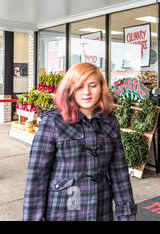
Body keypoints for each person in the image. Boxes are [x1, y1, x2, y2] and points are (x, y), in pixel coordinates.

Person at [23, 63, 137, 221]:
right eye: (79, 86)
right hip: (63, 210)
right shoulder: (53, 122)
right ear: (70, 89)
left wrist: (127, 215)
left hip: (101, 209)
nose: (87, 93)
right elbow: (37, 178)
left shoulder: (110, 122)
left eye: (93, 85)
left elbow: (119, 173)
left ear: (101, 87)